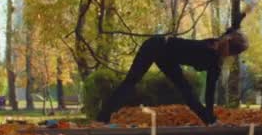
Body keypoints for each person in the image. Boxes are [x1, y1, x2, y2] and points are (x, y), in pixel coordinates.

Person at [97, 21, 249, 125]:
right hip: (155, 46)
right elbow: (209, 94)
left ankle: (210, 122)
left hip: (167, 55)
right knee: (131, 82)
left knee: (186, 91)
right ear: (233, 53)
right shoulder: (213, 59)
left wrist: (211, 119)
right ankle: (102, 118)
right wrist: (212, 118)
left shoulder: (216, 42)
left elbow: (231, 30)